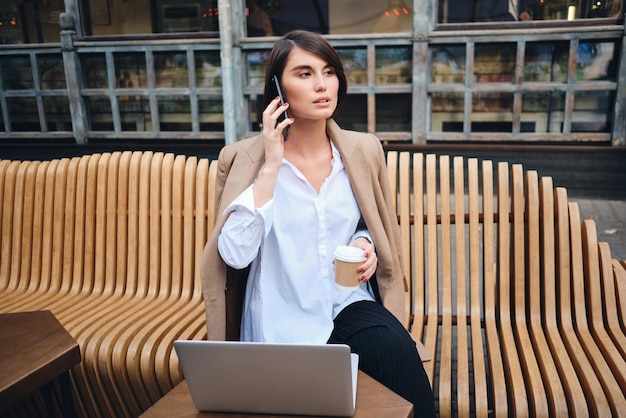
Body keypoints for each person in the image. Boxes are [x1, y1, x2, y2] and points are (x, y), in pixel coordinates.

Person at [201, 29, 435, 416]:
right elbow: (235, 255)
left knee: (401, 358)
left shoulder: (362, 150)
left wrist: (365, 244)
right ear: (279, 88)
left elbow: (366, 222)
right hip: (283, 312)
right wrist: (273, 165)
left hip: (347, 302)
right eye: (305, 73)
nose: (322, 84)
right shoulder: (243, 160)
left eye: (328, 72)